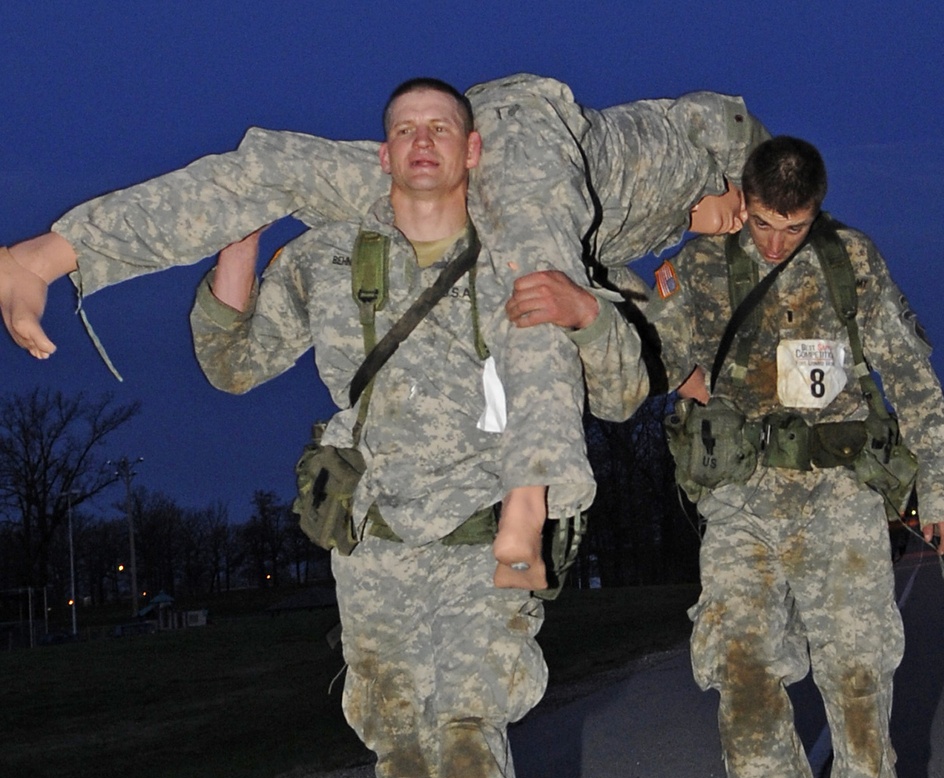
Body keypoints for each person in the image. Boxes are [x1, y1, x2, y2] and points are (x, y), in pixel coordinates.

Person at [185, 78, 643, 778]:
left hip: (489, 540)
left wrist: (585, 314)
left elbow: (619, 386)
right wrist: (241, 225)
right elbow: (231, 361)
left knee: (467, 725)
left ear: (474, 152)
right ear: (382, 155)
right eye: (403, 132)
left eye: (440, 129)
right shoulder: (332, 257)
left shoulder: (520, 250)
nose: (421, 143)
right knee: (398, 739)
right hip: (373, 553)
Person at [0, 74, 760, 581]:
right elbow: (745, 163)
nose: (726, 229)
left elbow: (622, 333)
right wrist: (728, 192)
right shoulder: (689, 144)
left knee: (271, 168)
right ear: (734, 182)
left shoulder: (607, 233)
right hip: (522, 143)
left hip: (472, 165)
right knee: (535, 288)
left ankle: (42, 256)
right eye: (740, 215)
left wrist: (685, 369)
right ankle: (530, 501)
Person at [641, 136, 944, 778]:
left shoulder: (849, 259)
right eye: (762, 222)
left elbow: (907, 371)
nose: (773, 242)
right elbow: (653, 357)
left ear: (816, 210)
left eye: (791, 228)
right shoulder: (700, 263)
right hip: (741, 503)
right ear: (743, 198)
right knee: (743, 674)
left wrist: (943, 485)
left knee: (858, 671)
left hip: (839, 495)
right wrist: (663, 324)